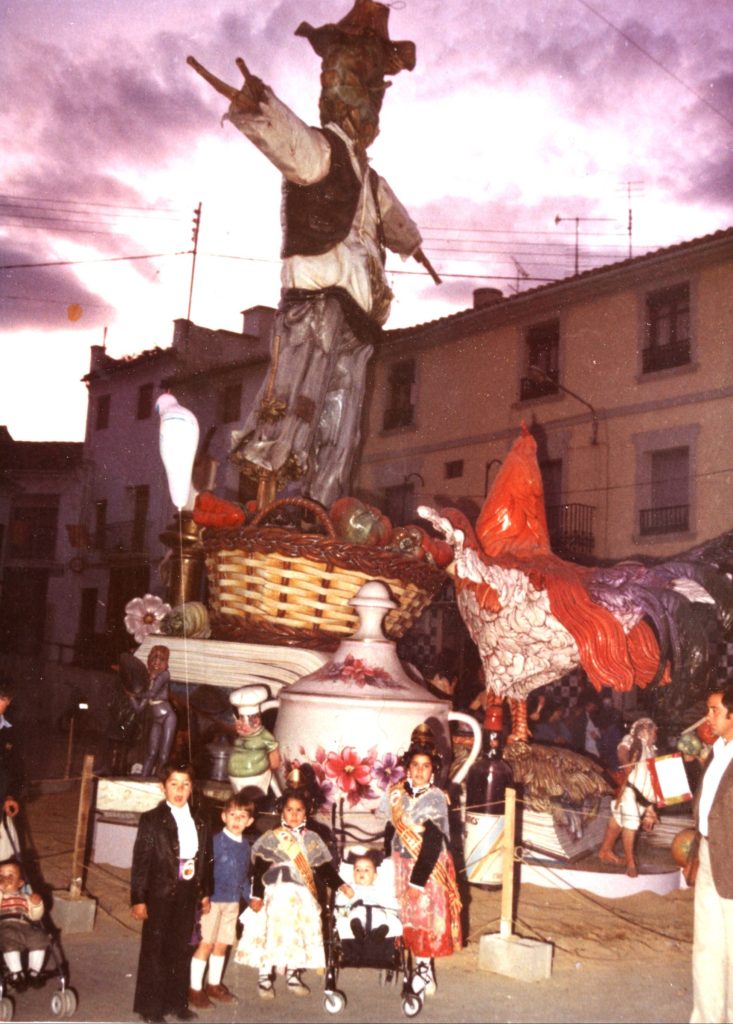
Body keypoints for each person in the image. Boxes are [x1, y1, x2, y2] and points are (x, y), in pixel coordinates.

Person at [188, 0, 426, 507]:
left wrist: (413, 245)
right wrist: (257, 106)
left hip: (357, 323)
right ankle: (289, 506)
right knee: (301, 405)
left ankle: (323, 508)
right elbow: (285, 138)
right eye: (357, 94)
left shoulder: (370, 177)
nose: (365, 108)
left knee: (342, 421)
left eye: (370, 98)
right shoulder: (322, 150)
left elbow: (395, 216)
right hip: (316, 307)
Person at [234, 787, 353, 999]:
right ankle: (264, 976)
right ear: (282, 811)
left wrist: (340, 884)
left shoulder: (312, 838)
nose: (294, 814)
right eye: (290, 810)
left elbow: (323, 868)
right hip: (276, 893)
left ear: (306, 812)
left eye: (299, 810)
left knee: (297, 933)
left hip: (301, 896)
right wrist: (257, 895)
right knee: (272, 933)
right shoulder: (272, 837)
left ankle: (293, 974)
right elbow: (260, 868)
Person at [380, 738, 462, 997]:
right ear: (407, 768)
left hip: (427, 869)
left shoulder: (436, 797)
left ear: (433, 770)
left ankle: (424, 971)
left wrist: (417, 882)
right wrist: (385, 859)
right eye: (415, 765)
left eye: (425, 766)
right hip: (401, 863)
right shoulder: (396, 793)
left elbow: (433, 840)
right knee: (406, 917)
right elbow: (390, 828)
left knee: (424, 918)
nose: (419, 770)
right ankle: (419, 969)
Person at [130, 763, 212, 1024]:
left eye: (185, 784)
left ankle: (177, 1002)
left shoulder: (200, 819)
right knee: (156, 950)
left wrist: (204, 893)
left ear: (192, 787)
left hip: (188, 891)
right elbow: (141, 863)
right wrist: (138, 898)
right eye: (174, 784)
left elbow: (205, 860)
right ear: (163, 787)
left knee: (181, 948)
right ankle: (150, 1009)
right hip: (160, 892)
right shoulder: (151, 820)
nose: (179, 790)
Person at [688, 684, 733, 1024]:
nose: (708, 716)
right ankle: (706, 1017)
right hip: (707, 853)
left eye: (715, 710)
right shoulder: (717, 752)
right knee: (706, 947)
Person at [188, 793, 254, 1010]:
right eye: (232, 815)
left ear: (250, 821)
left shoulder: (246, 845)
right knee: (205, 944)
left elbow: (244, 875)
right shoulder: (215, 842)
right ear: (224, 816)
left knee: (222, 945)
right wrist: (202, 896)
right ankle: (194, 989)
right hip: (213, 901)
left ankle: (213, 985)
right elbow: (203, 872)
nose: (237, 820)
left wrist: (249, 898)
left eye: (242, 816)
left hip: (233, 902)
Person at [598, 717, 659, 877]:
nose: (656, 734)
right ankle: (631, 863)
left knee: (617, 821)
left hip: (642, 796)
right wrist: (626, 765)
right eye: (654, 731)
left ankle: (605, 851)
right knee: (630, 825)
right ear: (646, 729)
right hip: (629, 791)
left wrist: (650, 809)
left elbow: (652, 780)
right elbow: (622, 751)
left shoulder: (652, 750)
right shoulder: (632, 739)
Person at [335, 847, 401, 954]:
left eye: (366, 870)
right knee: (355, 915)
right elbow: (340, 901)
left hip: (376, 910)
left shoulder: (378, 889)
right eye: (357, 870)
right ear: (353, 875)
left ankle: (378, 933)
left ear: (375, 876)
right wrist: (346, 895)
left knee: (382, 917)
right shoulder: (350, 888)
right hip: (357, 909)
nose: (361, 872)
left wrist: (398, 903)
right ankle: (357, 929)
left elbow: (387, 900)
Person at [125, 646, 178, 779]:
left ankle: (159, 780)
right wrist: (130, 697)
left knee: (164, 754)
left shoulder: (164, 675)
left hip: (168, 717)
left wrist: (135, 693)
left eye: (161, 658)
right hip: (157, 720)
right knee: (151, 752)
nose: (157, 661)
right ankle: (144, 778)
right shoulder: (146, 680)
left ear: (166, 663)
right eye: (154, 657)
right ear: (148, 660)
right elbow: (139, 709)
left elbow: (152, 693)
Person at [0, 858, 49, 990]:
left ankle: (34, 971)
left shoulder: (25, 897)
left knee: (39, 937)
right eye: (1, 876)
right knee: (9, 938)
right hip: (5, 924)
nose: (5, 878)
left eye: (10, 875)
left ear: (21, 882)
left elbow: (35, 916)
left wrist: (36, 904)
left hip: (25, 925)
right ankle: (16, 973)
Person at [0, 679, 23, 861]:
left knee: (6, 855)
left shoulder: (11, 732)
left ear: (8, 701)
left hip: (1, 804)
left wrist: (10, 796)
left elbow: (15, 768)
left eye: (1, 699)